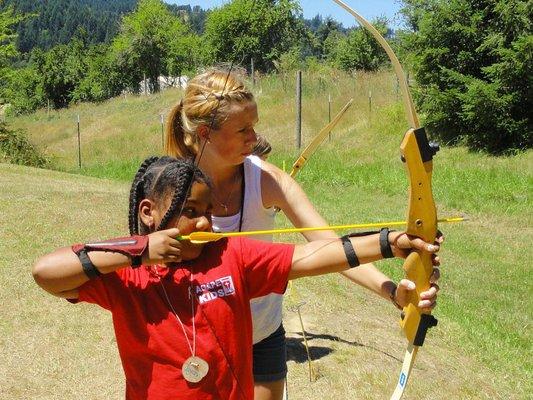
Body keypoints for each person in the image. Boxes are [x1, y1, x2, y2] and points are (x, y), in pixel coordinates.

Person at [32, 156, 442, 400]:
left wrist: (392, 242)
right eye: (191, 210)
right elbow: (46, 273)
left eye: (208, 209)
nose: (207, 221)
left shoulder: (230, 254)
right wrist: (139, 251)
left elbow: (311, 256)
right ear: (148, 213)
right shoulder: (125, 275)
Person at [164, 68, 440, 400]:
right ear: (205, 133)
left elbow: (329, 246)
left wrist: (394, 292)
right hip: (195, 339)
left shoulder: (268, 181)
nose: (254, 139)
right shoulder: (168, 185)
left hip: (260, 335)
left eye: (254, 126)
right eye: (243, 130)